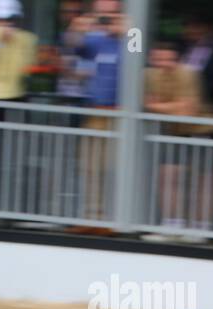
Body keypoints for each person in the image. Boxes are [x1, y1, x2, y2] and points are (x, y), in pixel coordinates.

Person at [63, 0, 123, 231]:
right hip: (96, 112)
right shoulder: (97, 39)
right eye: (101, 15)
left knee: (116, 169)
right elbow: (72, 45)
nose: (106, 19)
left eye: (111, 14)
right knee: (90, 167)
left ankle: (115, 220)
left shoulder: (133, 34)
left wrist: (127, 31)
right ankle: (92, 217)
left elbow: (138, 55)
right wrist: (76, 27)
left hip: (122, 116)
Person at [144, 40, 213, 235]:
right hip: (173, 131)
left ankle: (201, 229)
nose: (164, 63)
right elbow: (143, 103)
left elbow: (188, 111)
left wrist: (156, 106)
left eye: (170, 59)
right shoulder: (147, 75)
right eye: (159, 59)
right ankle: (172, 224)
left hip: (201, 130)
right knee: (167, 177)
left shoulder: (189, 73)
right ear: (152, 59)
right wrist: (173, 106)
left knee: (203, 180)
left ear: (179, 60)